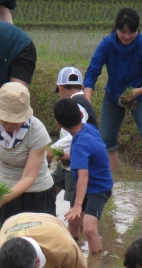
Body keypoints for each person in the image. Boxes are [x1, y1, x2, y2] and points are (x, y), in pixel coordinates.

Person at [83, 7, 142, 186]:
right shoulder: (107, 44)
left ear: (137, 30)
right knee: (106, 140)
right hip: (113, 96)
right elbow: (92, 73)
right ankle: (113, 182)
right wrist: (87, 101)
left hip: (140, 97)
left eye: (131, 32)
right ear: (117, 29)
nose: (126, 36)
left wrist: (140, 91)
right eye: (123, 32)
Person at [0, 82, 55, 240]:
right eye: (5, 119)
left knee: (38, 247)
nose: (9, 124)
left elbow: (29, 177)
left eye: (15, 120)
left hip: (37, 195)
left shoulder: (36, 130)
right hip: (3, 190)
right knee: (3, 244)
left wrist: (3, 199)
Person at [54, 98, 113, 254]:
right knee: (73, 222)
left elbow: (83, 176)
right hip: (87, 186)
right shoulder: (89, 128)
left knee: (88, 229)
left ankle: (96, 263)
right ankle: (73, 253)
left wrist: (78, 206)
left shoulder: (80, 144)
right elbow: (89, 154)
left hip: (98, 189)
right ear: (81, 114)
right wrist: (67, 156)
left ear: (58, 124)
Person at [49, 66, 99, 203]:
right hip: (68, 160)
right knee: (47, 194)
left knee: (75, 210)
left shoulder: (76, 104)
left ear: (60, 88)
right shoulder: (82, 101)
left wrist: (51, 150)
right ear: (82, 86)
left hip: (77, 163)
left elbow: (77, 135)